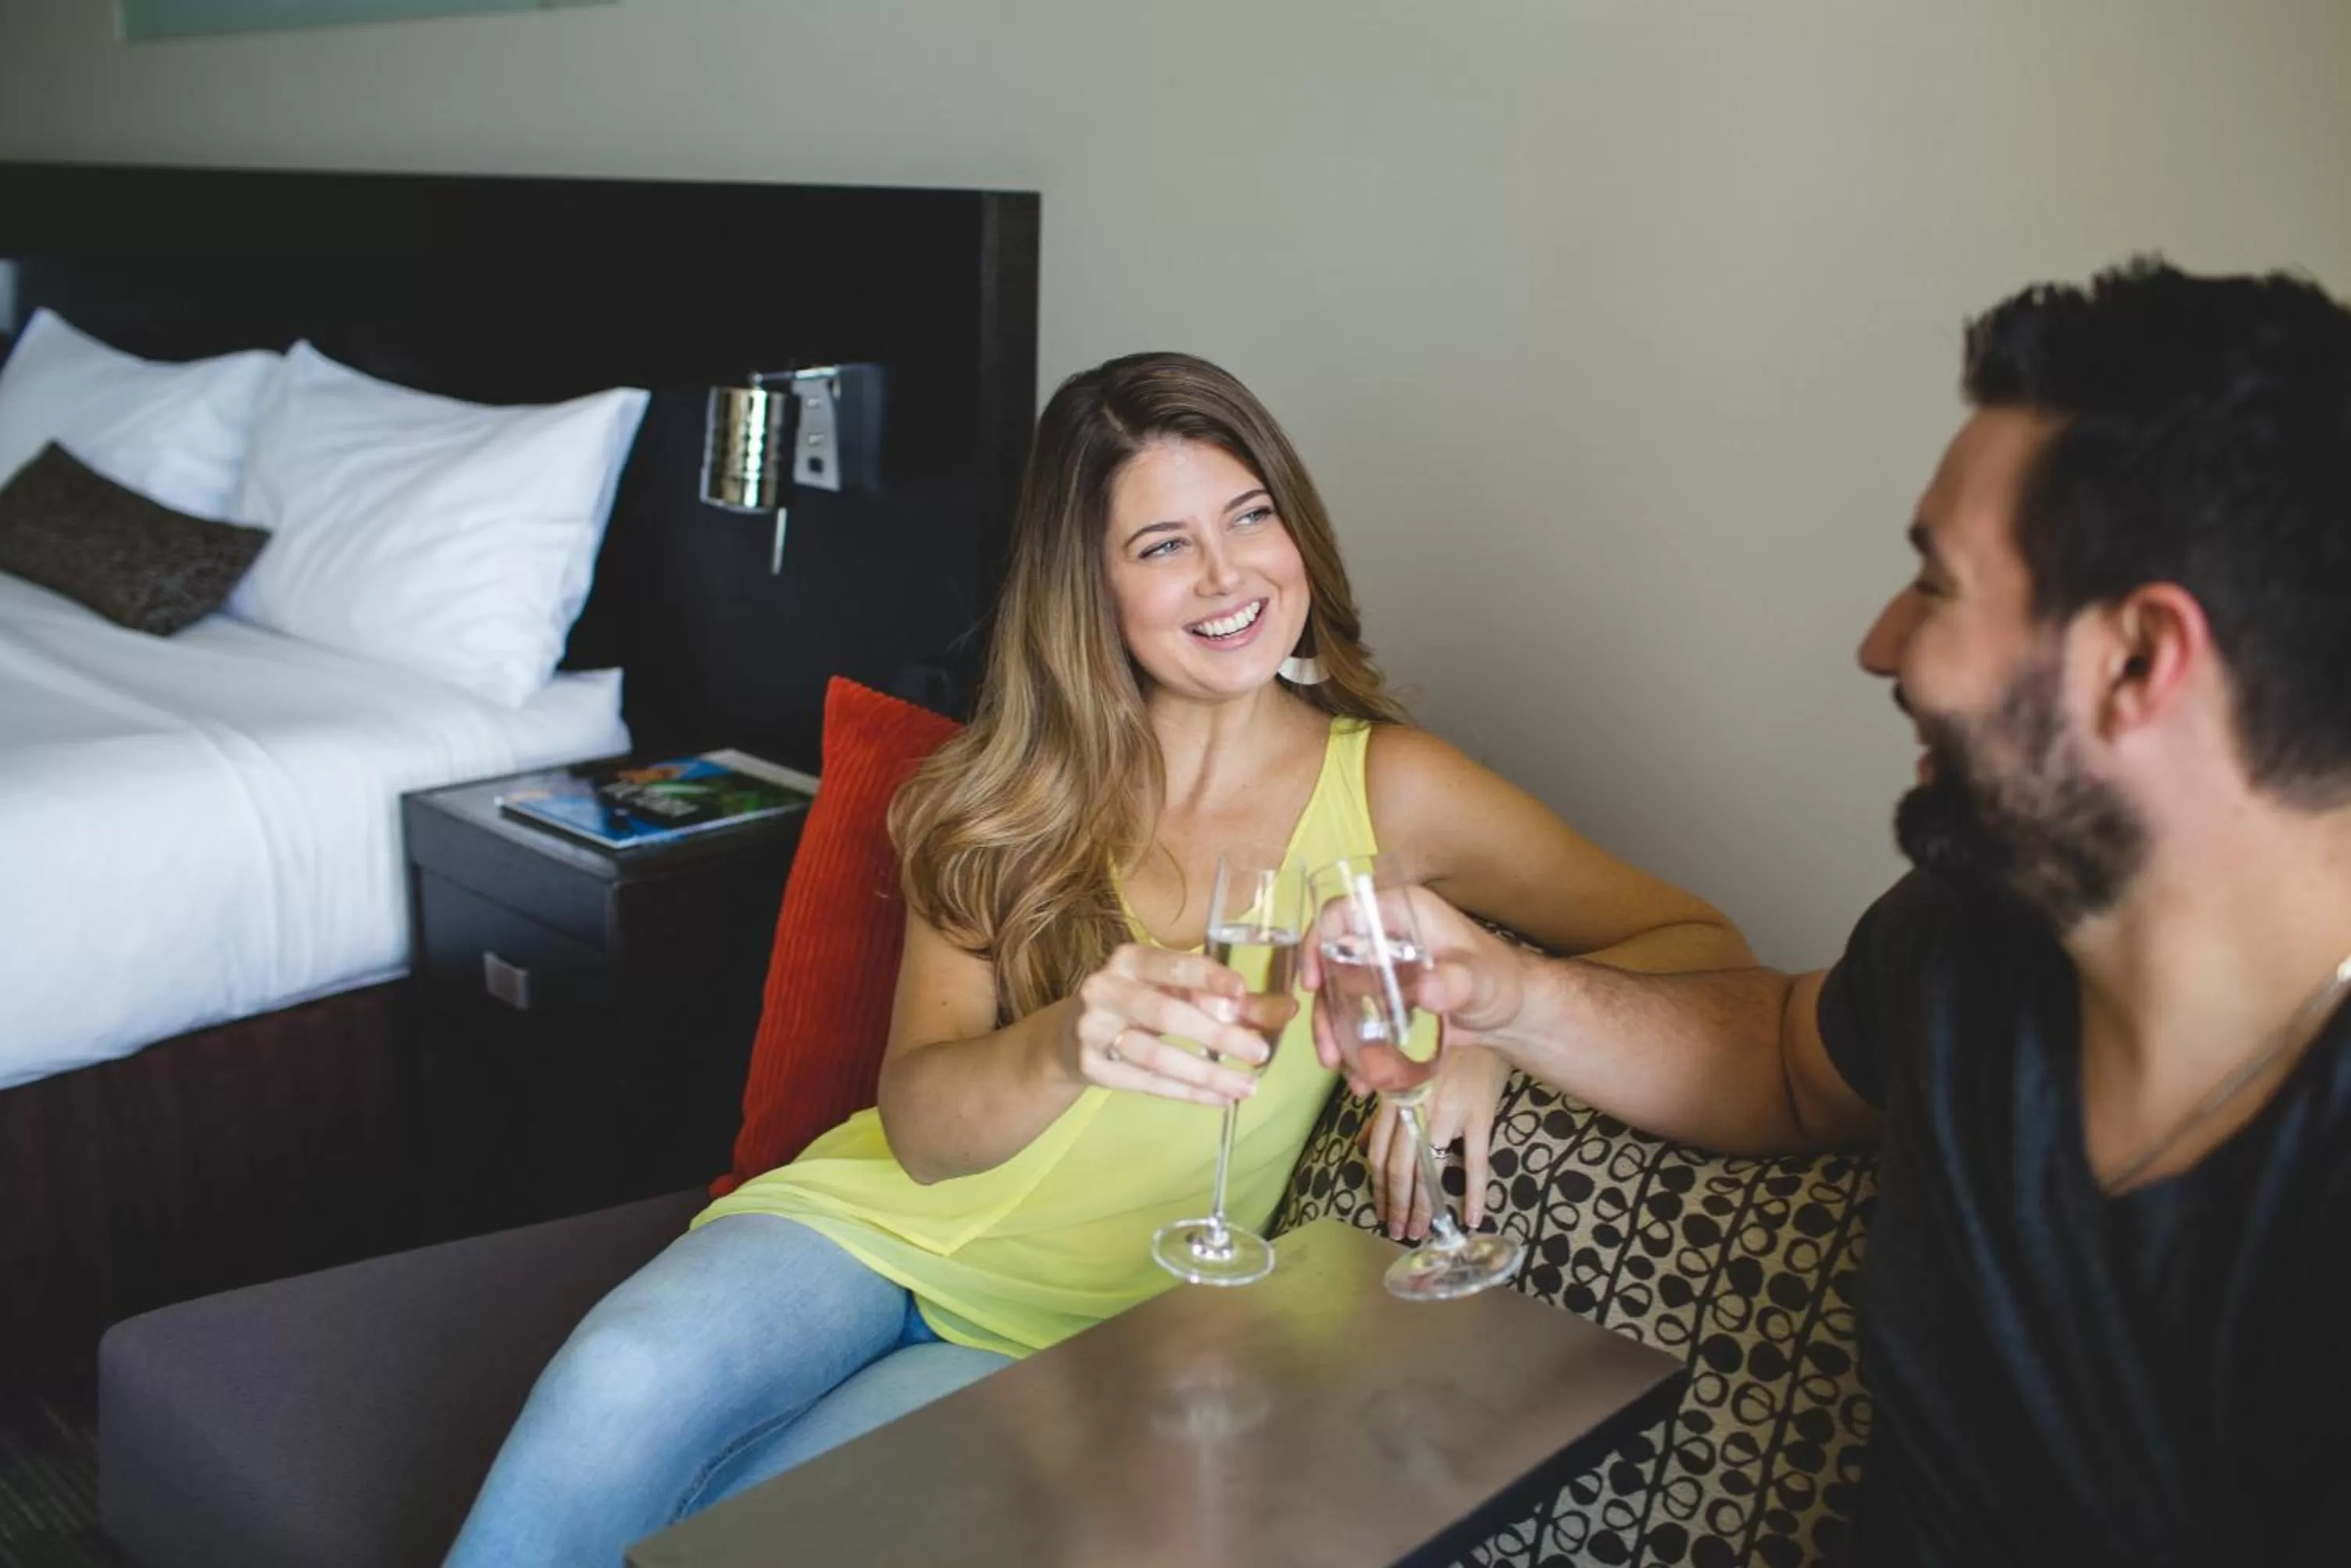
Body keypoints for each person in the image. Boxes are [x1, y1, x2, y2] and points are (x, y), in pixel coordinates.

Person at [442, 350, 1753, 1565]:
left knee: (769, 1532)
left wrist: (1482, 1033)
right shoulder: (1002, 793)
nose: (1228, 577)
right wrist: (1069, 1041)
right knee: (614, 1383)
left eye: (1251, 517)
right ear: (1092, 584)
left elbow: (1698, 945)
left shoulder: (1399, 794)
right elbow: (923, 1130)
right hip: (866, 1226)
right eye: (1164, 544)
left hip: (1089, 1317)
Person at [1335, 260, 2351, 1566]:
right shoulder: (1977, 930)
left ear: (2139, 660)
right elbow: (1777, 1063)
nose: (1881, 643)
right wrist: (1506, 995)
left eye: (1935, 586)